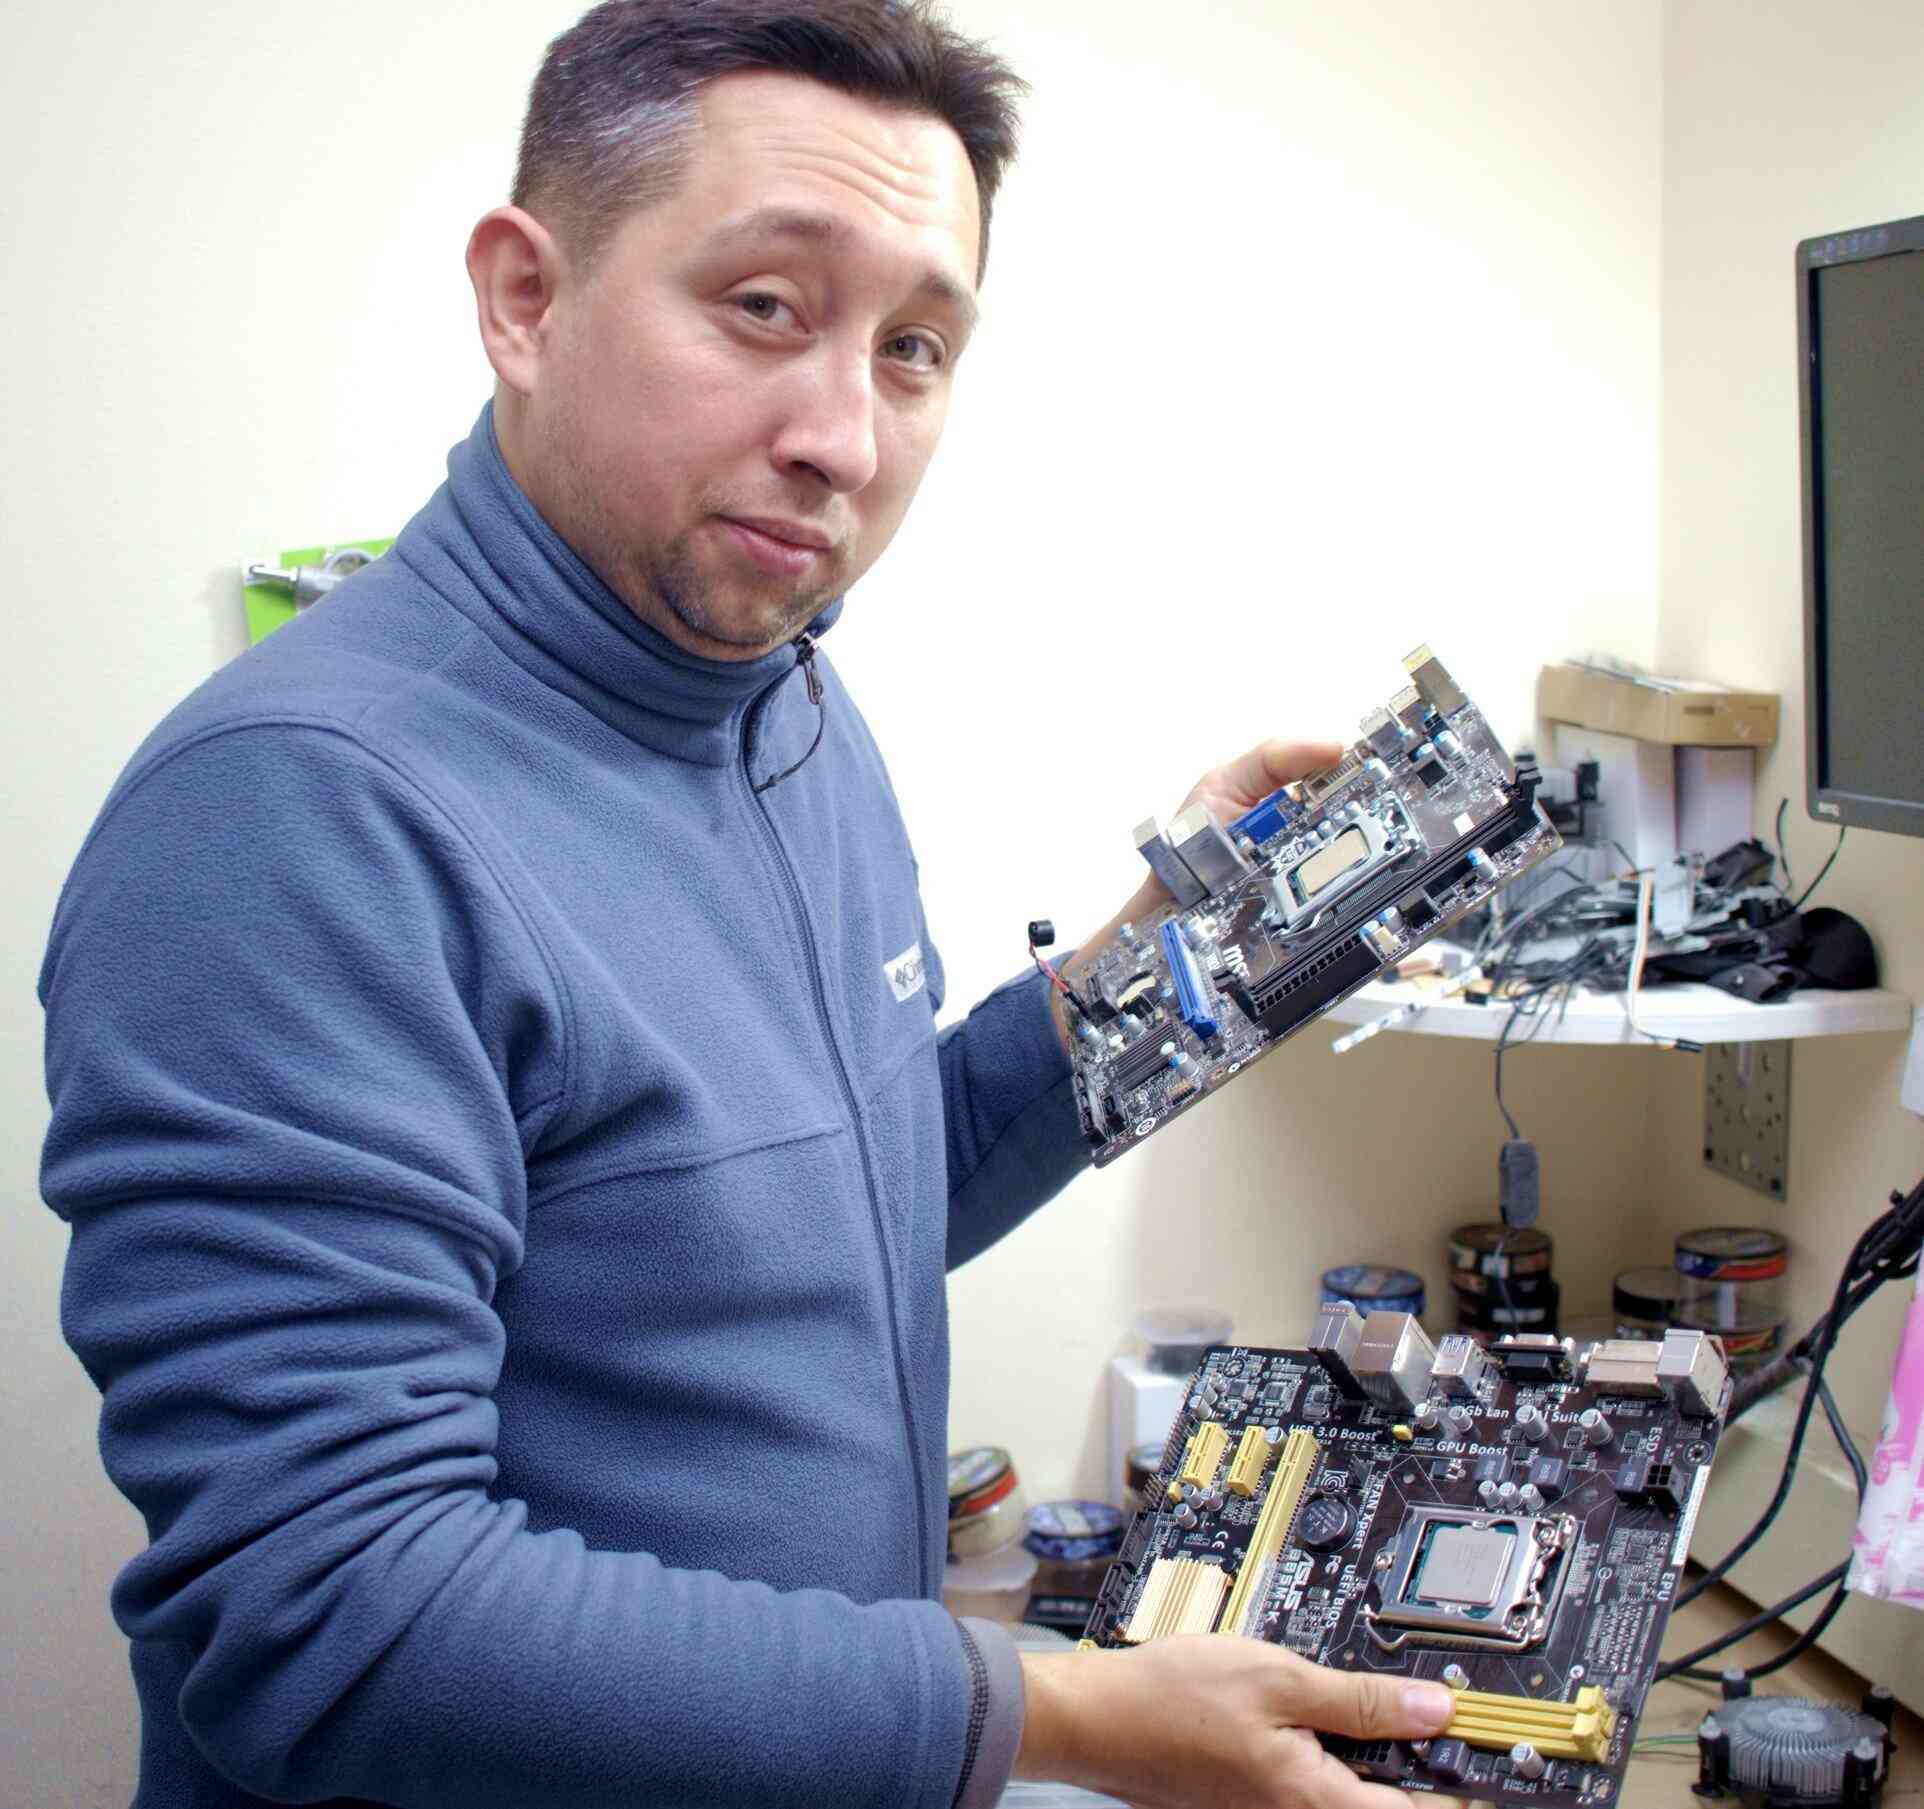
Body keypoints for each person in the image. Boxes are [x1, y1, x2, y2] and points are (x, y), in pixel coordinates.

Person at [37, 3, 1455, 1805]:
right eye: (767, 306)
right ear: (525, 299)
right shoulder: (292, 816)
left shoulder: (782, 700)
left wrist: (1164, 963)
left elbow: (845, 1202)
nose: (843, 436)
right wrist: (1055, 1715)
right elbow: (332, 1611)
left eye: (915, 347)